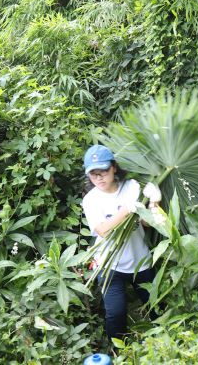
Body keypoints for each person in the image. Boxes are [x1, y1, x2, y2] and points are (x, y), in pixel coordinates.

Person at [82, 144, 161, 340]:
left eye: (104, 171)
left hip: (140, 261)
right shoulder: (91, 200)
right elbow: (103, 230)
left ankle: (169, 343)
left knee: (157, 306)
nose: (99, 177)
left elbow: (146, 224)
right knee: (115, 314)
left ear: (114, 167)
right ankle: (120, 353)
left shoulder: (132, 187)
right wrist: (126, 209)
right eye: (93, 174)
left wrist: (153, 202)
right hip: (110, 266)